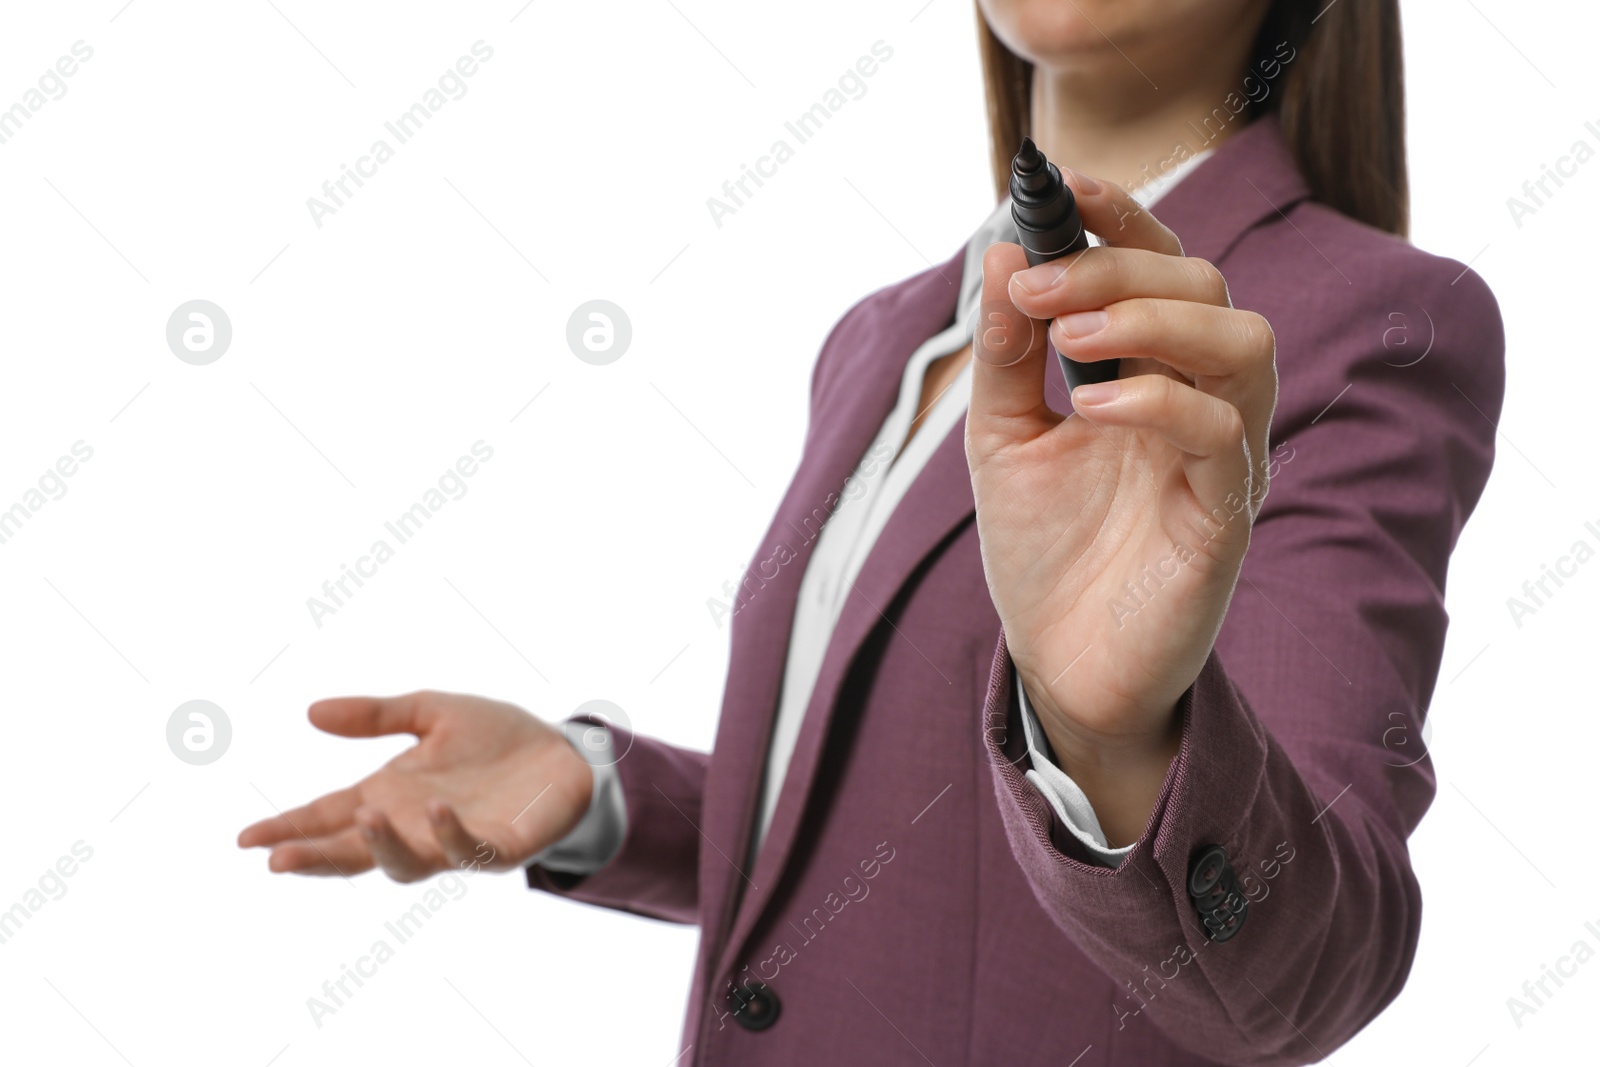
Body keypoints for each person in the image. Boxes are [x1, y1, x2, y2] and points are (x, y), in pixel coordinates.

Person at [238, 0, 1505, 1062]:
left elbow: (1309, 960)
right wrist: (602, 791)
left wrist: (1116, 732)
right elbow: (907, 826)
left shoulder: (1367, 321)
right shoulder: (882, 336)